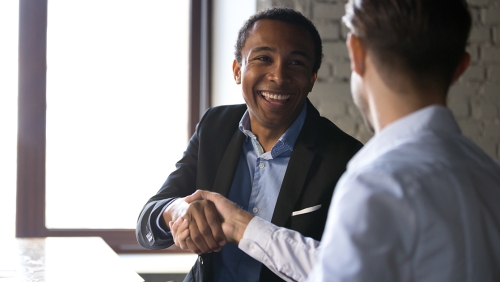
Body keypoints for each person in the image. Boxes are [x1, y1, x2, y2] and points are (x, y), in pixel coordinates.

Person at [171, 0, 500, 281]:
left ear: (355, 52)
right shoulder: (489, 176)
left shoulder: (375, 182)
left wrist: (242, 226)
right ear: (461, 68)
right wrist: (242, 225)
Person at [136, 7, 363, 282]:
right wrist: (177, 211)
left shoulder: (347, 159)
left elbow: (347, 270)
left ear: (312, 79)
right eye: (264, 58)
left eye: (296, 63)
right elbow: (148, 221)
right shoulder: (214, 126)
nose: (278, 77)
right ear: (237, 70)